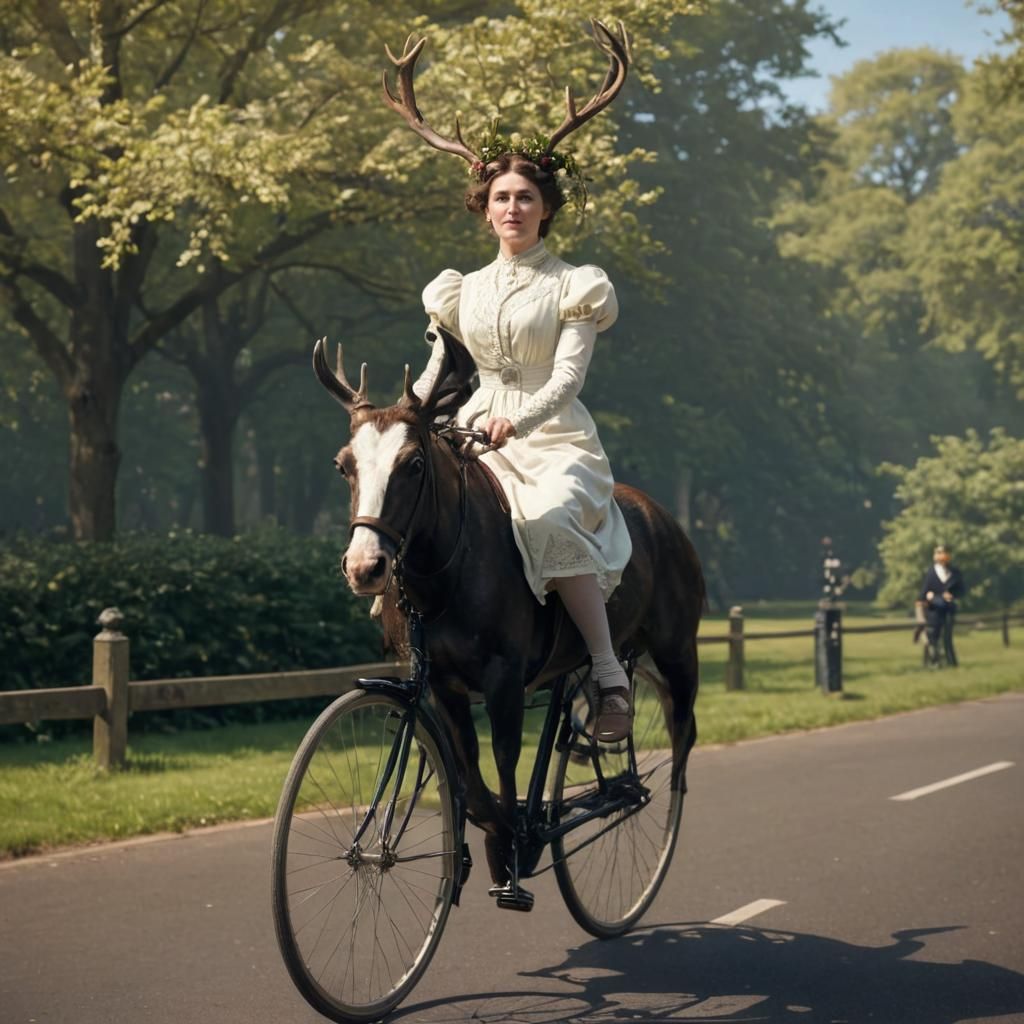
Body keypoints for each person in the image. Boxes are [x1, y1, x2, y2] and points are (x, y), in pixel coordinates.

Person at [386, 23, 637, 742]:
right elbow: (440, 369)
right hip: (472, 435)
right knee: (406, 516)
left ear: (546, 207)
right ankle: (426, 656)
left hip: (552, 438)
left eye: (526, 197)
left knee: (550, 518)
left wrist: (516, 422)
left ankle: (607, 670)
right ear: (485, 206)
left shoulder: (576, 285)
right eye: (501, 197)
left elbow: (567, 377)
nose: (513, 208)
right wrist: (405, 418)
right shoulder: (458, 290)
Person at [919, 544, 965, 666]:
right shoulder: (930, 572)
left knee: (947, 637)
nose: (941, 555)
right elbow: (923, 594)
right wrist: (930, 597)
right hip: (934, 611)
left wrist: (952, 595)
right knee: (934, 637)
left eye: (943, 553)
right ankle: (935, 662)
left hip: (948, 610)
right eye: (938, 553)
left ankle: (951, 662)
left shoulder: (955, 572)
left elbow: (961, 590)